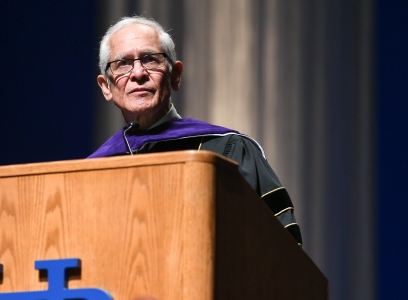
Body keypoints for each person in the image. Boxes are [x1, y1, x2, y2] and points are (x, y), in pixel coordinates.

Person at [89, 16, 302, 245]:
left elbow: (284, 251)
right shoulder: (91, 172)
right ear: (106, 87)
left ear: (175, 75)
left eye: (150, 59)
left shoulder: (227, 150)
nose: (138, 73)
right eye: (123, 63)